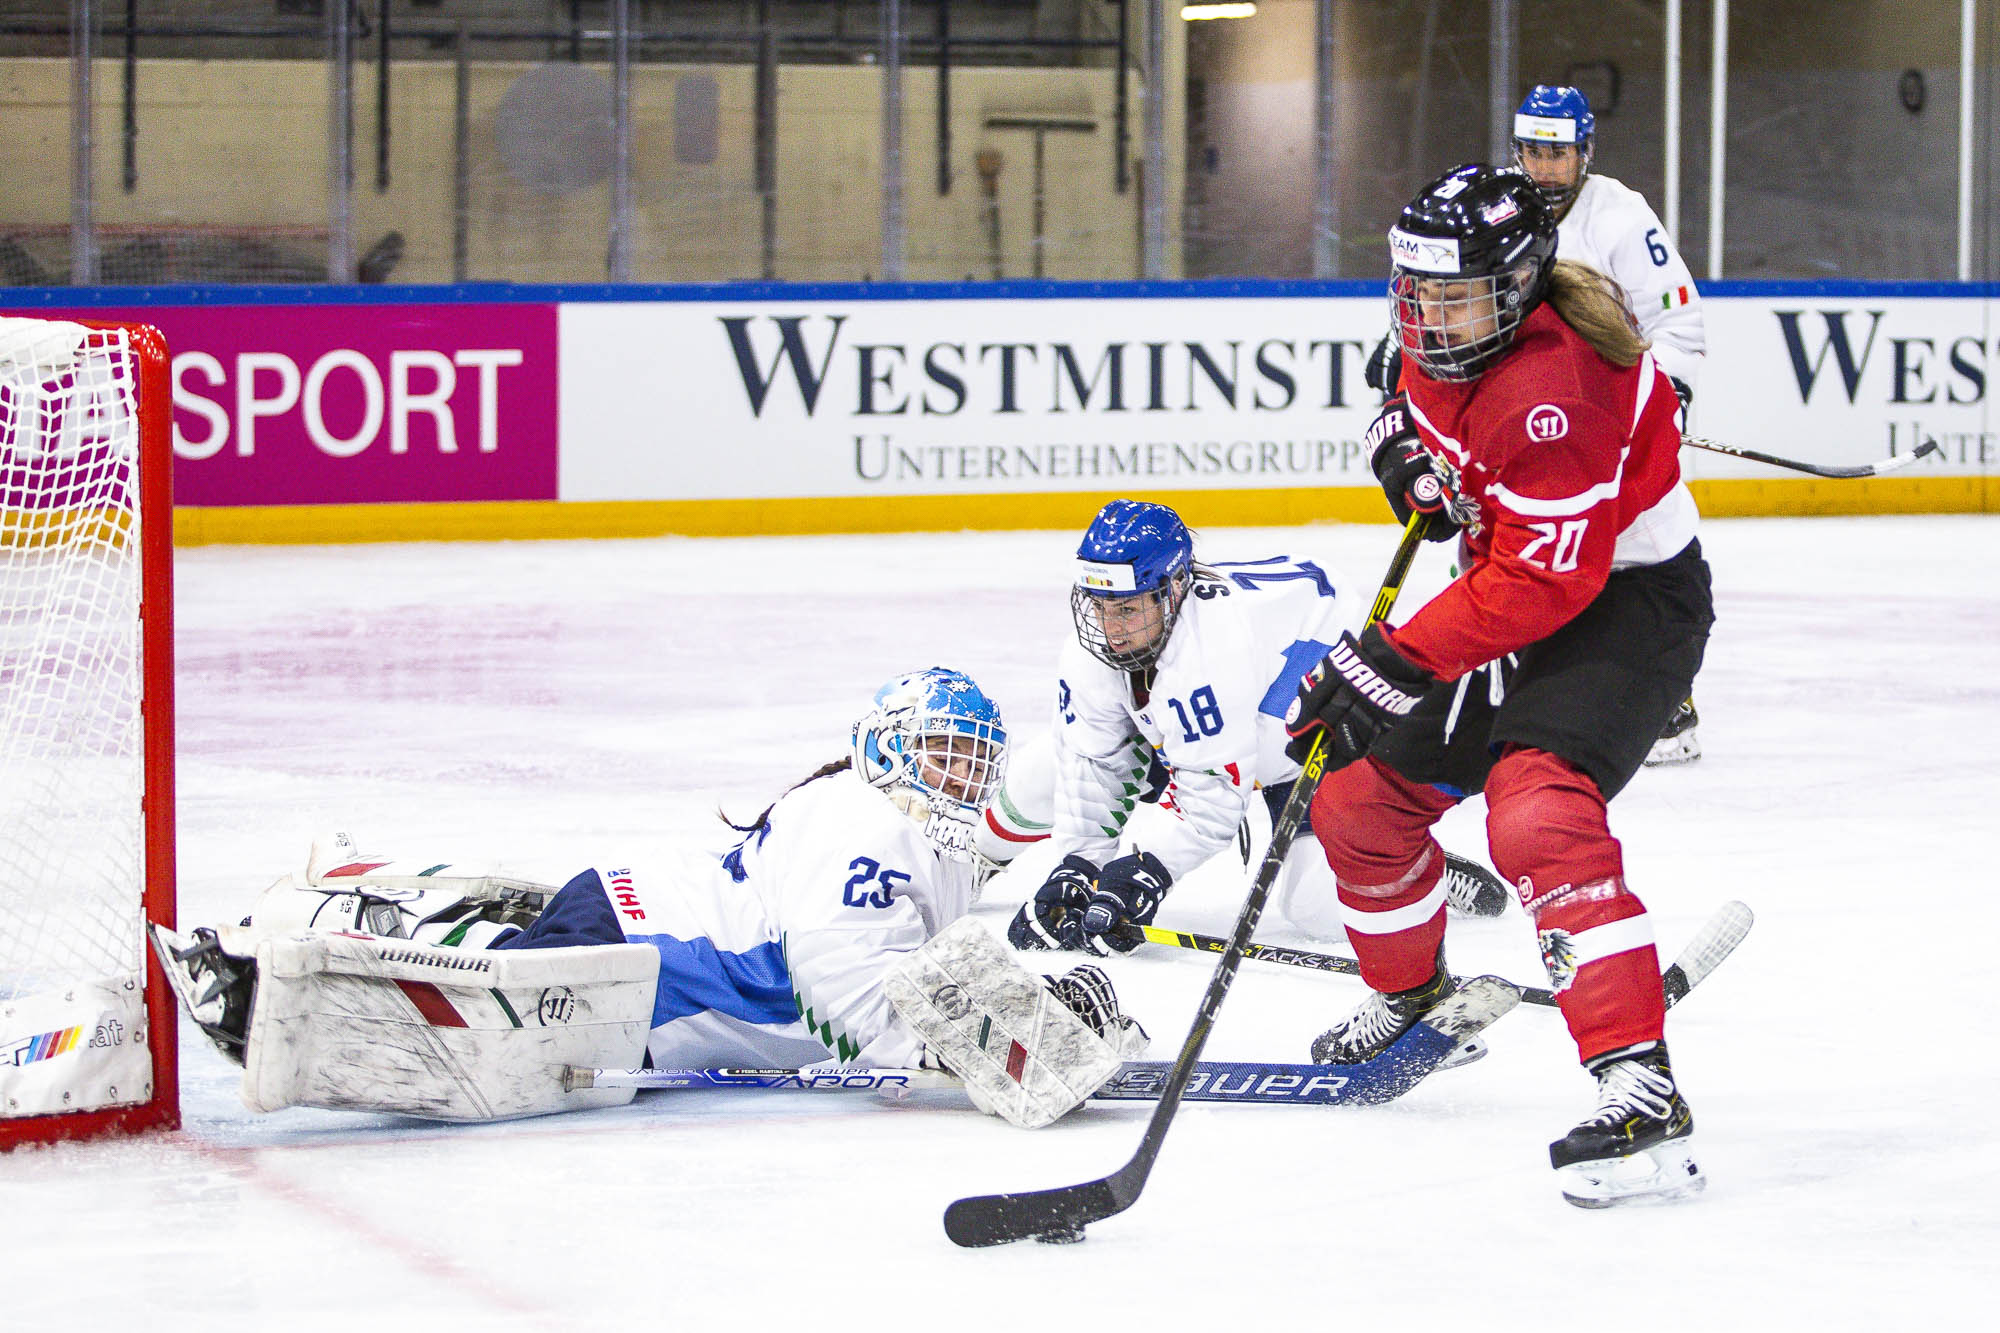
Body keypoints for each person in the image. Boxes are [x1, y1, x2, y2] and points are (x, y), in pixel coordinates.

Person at [152, 667, 1147, 1129]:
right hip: (641, 976)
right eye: (945, 758)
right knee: (474, 1037)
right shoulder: (872, 826)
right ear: (892, 749)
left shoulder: (903, 820)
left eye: (970, 765)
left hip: (627, 924)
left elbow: (1019, 807)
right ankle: (264, 979)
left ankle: (371, 903)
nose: (964, 781)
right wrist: (959, 1058)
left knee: (507, 968)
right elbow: (831, 976)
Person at [1284, 164, 1715, 1207]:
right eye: (1414, 291)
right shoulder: (1452, 332)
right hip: (1506, 594)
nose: (1426, 314)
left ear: (1519, 282)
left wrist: (1392, 659)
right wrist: (1401, 455)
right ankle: (1413, 994)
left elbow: (1545, 577)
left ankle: (1636, 1081)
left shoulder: (1555, 388)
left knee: (1534, 813)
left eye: (1451, 294)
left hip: (1624, 610)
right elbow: (1403, 388)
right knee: (1352, 799)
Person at [978, 498, 1508, 961]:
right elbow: (1091, 764)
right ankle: (973, 859)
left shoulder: (1209, 649)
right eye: (1100, 606)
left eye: (1128, 608)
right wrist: (1078, 869)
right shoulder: (1103, 642)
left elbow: (1211, 805)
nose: (1110, 628)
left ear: (1175, 589)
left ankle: (1411, 866)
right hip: (1217, 725)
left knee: (1316, 908)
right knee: (1049, 764)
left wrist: (1144, 871)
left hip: (1298, 737)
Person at [1511, 83, 1706, 766]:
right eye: (1533, 151)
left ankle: (1662, 691)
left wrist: (1664, 402)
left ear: (1584, 152)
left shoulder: (1620, 218)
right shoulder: (1497, 210)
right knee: (1513, 542)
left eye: (1558, 153)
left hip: (1606, 420)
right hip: (1523, 415)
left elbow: (1677, 322)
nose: (1543, 168)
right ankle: (1520, 678)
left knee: (1633, 543)